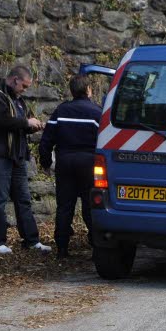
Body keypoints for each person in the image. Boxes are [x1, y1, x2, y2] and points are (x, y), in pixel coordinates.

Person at [0, 66, 52, 254]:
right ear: (14, 80)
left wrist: (33, 126)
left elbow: (22, 123)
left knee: (23, 199)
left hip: (17, 156)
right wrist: (25, 123)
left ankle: (31, 240)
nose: (25, 90)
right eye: (24, 86)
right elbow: (1, 121)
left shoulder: (18, 100)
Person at [38, 75, 102, 259]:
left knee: (65, 206)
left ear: (72, 91)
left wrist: (46, 163)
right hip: (89, 164)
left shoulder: (61, 111)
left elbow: (46, 140)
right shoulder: (97, 112)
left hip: (65, 163)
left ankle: (62, 248)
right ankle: (96, 244)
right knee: (91, 205)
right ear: (89, 89)